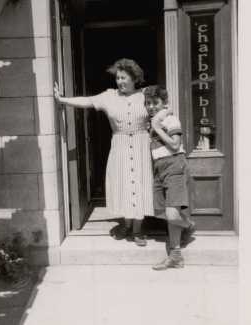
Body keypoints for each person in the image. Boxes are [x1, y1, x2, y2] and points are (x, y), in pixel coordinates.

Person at [53, 58, 171, 246]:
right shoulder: (109, 96)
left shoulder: (145, 94)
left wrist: (159, 119)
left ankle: (138, 229)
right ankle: (126, 224)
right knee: (125, 184)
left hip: (142, 145)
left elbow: (166, 106)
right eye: (117, 78)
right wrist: (61, 99)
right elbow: (87, 101)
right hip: (120, 145)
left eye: (124, 77)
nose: (120, 81)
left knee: (141, 184)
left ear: (134, 78)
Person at [144, 85, 196, 270]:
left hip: (174, 164)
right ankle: (175, 256)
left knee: (172, 215)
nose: (151, 106)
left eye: (155, 103)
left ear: (164, 103)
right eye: (148, 103)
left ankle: (189, 226)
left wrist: (157, 128)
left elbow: (175, 145)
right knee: (165, 213)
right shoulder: (155, 119)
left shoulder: (169, 119)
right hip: (159, 168)